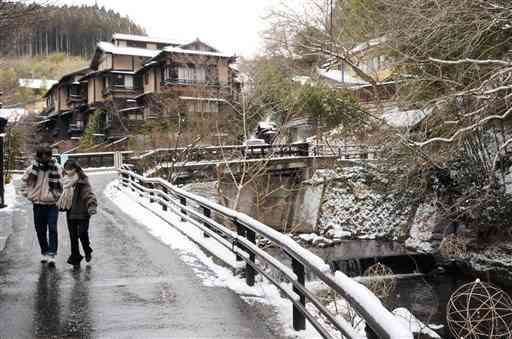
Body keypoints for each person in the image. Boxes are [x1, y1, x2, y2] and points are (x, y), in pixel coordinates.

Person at [21, 144, 62, 265]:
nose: (44, 158)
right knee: (40, 230)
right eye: (41, 156)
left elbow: (63, 184)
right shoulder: (32, 169)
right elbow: (24, 182)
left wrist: (56, 195)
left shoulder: (57, 168)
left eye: (46, 156)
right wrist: (28, 195)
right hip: (38, 205)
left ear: (50, 156)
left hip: (52, 205)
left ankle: (52, 254)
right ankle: (44, 251)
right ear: (38, 156)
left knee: (53, 228)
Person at [57, 159, 97, 267]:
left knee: (83, 234)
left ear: (76, 169)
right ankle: (75, 258)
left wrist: (92, 205)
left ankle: (87, 250)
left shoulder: (82, 180)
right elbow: (59, 194)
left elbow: (89, 194)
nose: (68, 171)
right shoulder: (64, 181)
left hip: (83, 212)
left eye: (71, 169)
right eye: (67, 169)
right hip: (71, 213)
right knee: (73, 237)